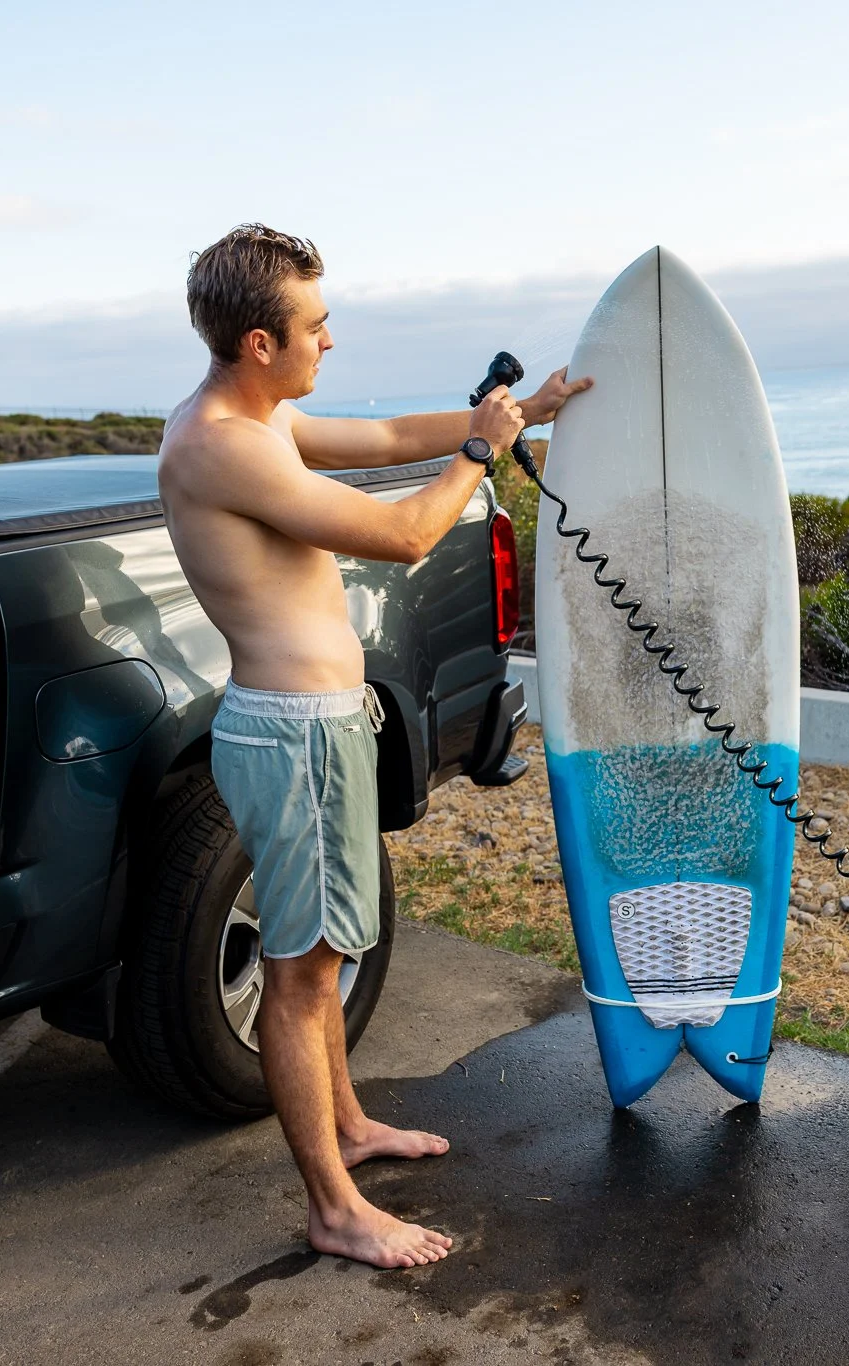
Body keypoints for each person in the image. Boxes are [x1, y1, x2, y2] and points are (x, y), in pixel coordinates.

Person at [158, 224, 589, 1268]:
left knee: (325, 947)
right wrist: (481, 455)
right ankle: (333, 1207)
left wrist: (515, 411)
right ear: (260, 342)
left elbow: (395, 433)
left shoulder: (255, 419)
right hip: (295, 738)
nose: (329, 342)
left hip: (319, 731)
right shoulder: (220, 442)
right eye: (314, 325)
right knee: (302, 974)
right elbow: (398, 535)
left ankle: (348, 1125)